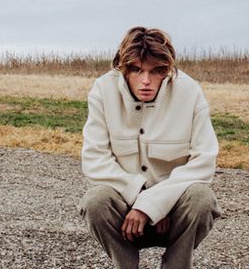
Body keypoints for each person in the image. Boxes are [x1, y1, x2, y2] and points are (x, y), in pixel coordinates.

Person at [79, 26, 220, 269]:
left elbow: (204, 161)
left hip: (174, 213)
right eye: (136, 70)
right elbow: (94, 159)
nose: (146, 81)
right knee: (95, 201)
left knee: (202, 199)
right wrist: (140, 198)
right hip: (126, 214)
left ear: (168, 70)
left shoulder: (190, 91)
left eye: (157, 72)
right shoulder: (103, 89)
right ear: (123, 68)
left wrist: (156, 203)